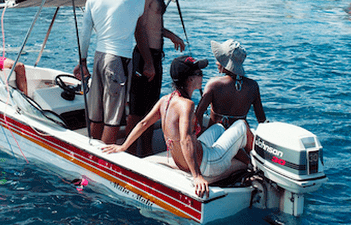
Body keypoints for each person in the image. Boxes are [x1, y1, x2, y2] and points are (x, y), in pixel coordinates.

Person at [103, 56, 252, 198]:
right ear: (190, 79)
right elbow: (186, 140)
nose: (202, 76)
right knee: (241, 125)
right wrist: (197, 176)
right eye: (199, 73)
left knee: (219, 128)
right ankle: (256, 166)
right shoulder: (187, 105)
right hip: (207, 164)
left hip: (182, 163)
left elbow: (143, 123)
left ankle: (241, 159)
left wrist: (122, 146)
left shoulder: (165, 100)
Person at [73, 0, 145, 144]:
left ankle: (92, 153)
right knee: (112, 118)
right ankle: (103, 159)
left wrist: (82, 62)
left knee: (96, 115)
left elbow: (85, 31)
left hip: (98, 57)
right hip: (118, 60)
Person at [126, 0, 185, 156]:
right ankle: (129, 154)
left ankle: (147, 151)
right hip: (145, 56)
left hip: (155, 55)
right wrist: (148, 62)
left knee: (152, 109)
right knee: (136, 110)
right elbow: (138, 27)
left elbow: (154, 24)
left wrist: (171, 36)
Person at [195, 40, 266, 131]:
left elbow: (198, 114)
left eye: (219, 59)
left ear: (225, 63)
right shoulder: (253, 86)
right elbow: (261, 120)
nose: (217, 62)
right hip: (241, 134)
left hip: (216, 133)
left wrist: (201, 132)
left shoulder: (214, 84)